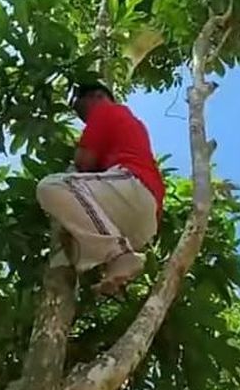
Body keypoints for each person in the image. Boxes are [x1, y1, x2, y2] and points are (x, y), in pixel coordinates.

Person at [36, 82, 165, 296]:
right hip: (144, 222)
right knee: (69, 252)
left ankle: (117, 254)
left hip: (132, 186)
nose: (85, 120)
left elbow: (84, 162)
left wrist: (77, 149)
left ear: (97, 96)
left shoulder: (106, 110)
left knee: (52, 186)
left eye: (82, 110)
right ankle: (115, 258)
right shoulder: (132, 122)